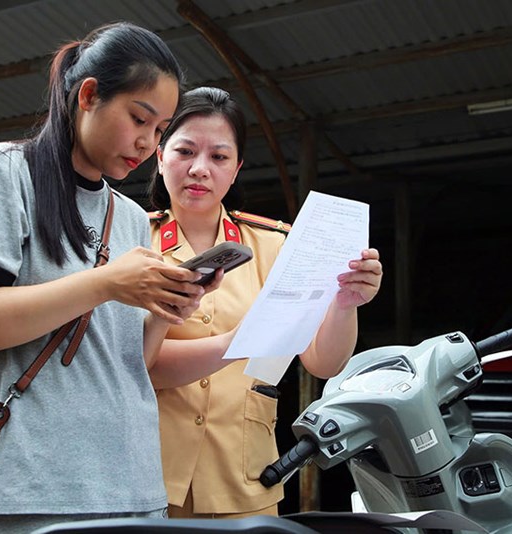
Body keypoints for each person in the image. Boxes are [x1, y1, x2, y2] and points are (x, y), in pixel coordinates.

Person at [0, 23, 215, 533]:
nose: (147, 143)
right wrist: (107, 282)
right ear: (88, 95)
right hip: (32, 491)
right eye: (139, 119)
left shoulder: (130, 216)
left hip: (134, 486)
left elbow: (130, 362)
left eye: (160, 130)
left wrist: (167, 308)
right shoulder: (2, 172)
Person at [147, 87, 383, 518]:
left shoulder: (278, 248)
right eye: (185, 151)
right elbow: (131, 359)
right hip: (146, 477)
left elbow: (322, 363)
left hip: (245, 478)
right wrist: (240, 340)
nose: (200, 169)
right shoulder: (128, 244)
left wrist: (345, 304)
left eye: (218, 157)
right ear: (159, 155)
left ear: (236, 170)